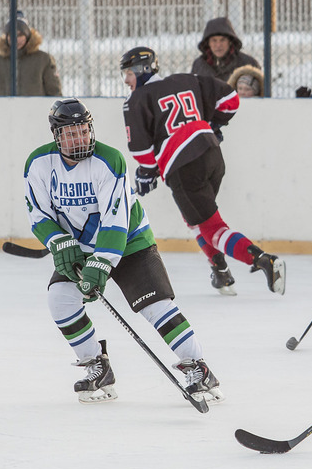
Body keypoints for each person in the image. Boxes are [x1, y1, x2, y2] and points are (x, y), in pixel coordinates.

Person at [24, 98, 223, 405]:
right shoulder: (39, 164)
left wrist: (99, 267)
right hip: (80, 247)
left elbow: (115, 223)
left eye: (83, 131)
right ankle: (97, 366)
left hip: (129, 242)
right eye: (70, 133)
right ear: (56, 135)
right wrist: (59, 242)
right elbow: (38, 214)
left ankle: (199, 368)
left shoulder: (109, 160)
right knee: (60, 299)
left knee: (154, 306)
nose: (78, 138)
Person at [120, 46, 285, 296]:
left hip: (184, 167)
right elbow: (230, 99)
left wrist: (147, 172)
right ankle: (221, 273)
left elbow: (141, 150)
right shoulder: (189, 79)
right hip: (212, 154)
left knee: (211, 228)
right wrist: (215, 124)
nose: (126, 80)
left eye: (128, 74)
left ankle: (263, 260)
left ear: (141, 70)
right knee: (195, 218)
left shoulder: (137, 99)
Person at [0, 11, 62, 96]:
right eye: (11, 34)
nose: (16, 39)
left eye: (20, 35)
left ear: (28, 35)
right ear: (6, 37)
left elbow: (55, 92)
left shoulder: (43, 59)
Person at [191, 16, 261, 83]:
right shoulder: (198, 65)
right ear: (208, 43)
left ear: (230, 42)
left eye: (222, 40)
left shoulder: (247, 63)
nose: (218, 45)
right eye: (214, 40)